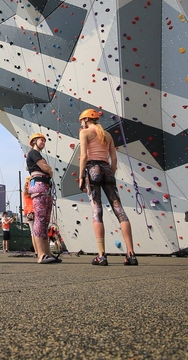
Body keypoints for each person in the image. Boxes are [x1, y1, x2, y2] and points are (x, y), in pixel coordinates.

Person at [78, 109, 138, 266]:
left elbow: (84, 156)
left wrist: (80, 177)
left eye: (81, 121)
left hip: (93, 169)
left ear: (85, 120)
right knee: (119, 210)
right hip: (107, 169)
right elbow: (114, 158)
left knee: (97, 212)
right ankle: (131, 254)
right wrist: (111, 172)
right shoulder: (108, 135)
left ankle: (101, 255)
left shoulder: (85, 133)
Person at [26, 133, 61, 264]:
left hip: (45, 186)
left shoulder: (37, 154)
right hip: (40, 186)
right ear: (34, 141)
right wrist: (49, 170)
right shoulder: (33, 153)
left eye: (44, 141)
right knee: (40, 220)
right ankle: (41, 254)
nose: (43, 143)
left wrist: (49, 171)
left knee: (45, 221)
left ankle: (47, 253)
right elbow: (45, 168)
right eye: (41, 140)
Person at [22, 176, 38, 256]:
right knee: (39, 231)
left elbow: (25, 204)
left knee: (33, 233)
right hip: (35, 211)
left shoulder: (24, 192)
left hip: (28, 213)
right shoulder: (32, 190)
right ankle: (40, 250)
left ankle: (36, 251)